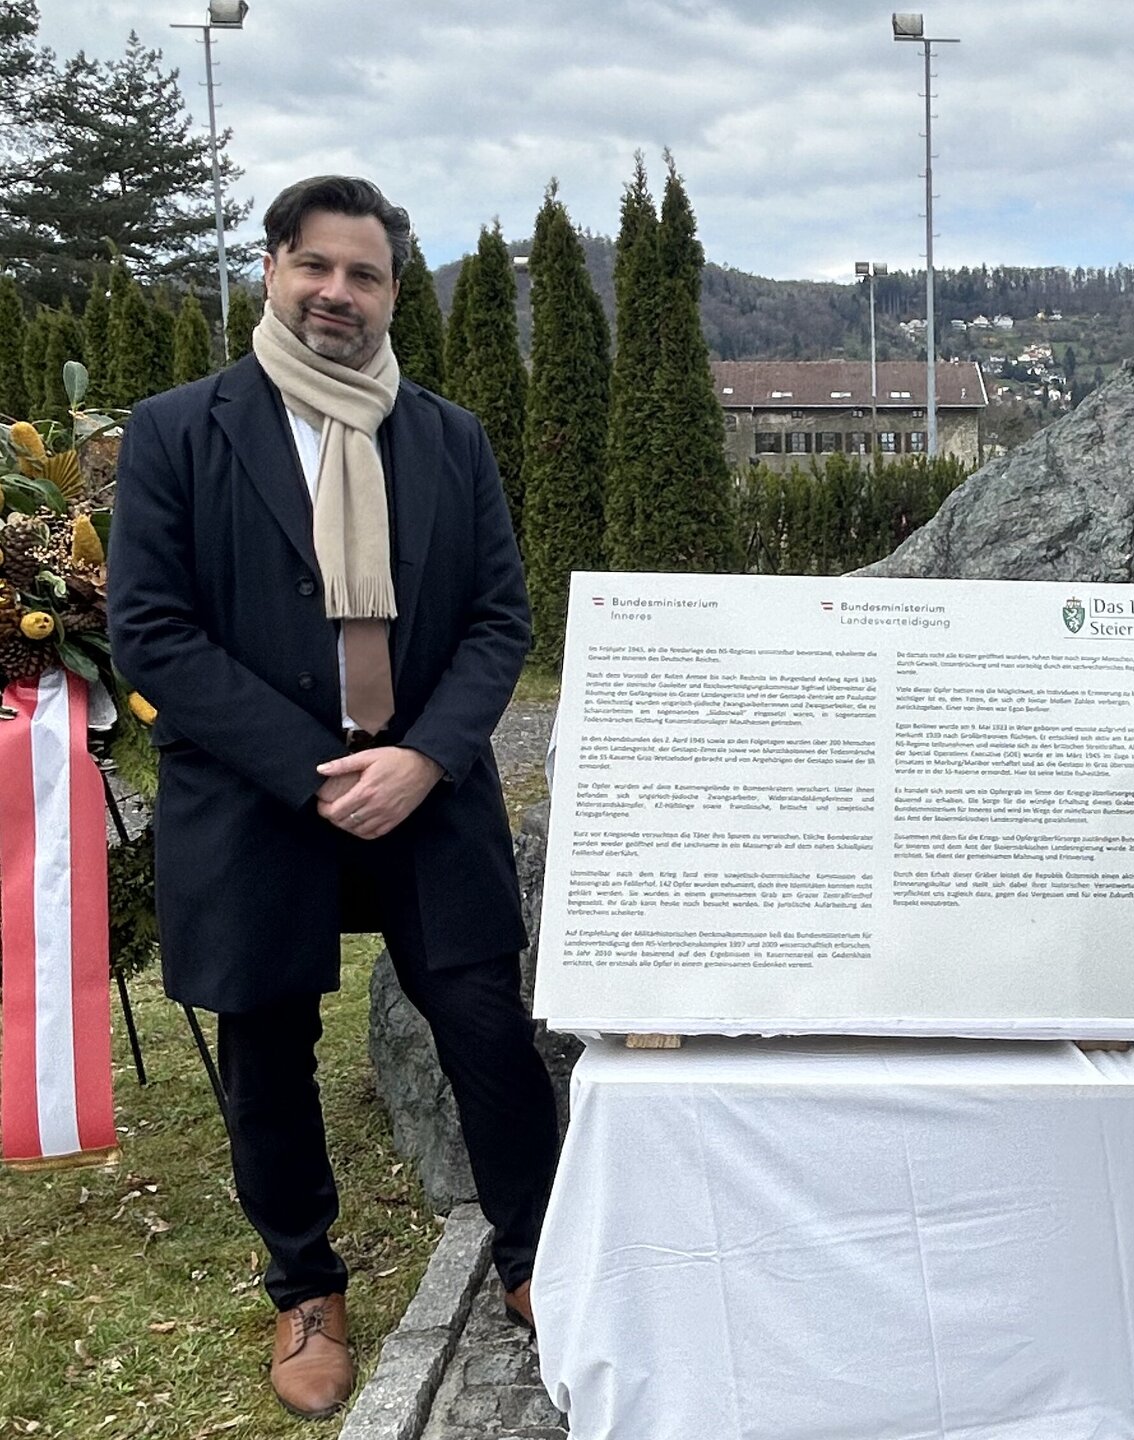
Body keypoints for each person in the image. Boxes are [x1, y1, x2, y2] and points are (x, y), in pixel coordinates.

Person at [108, 175, 559, 1420]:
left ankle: (534, 1253)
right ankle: (305, 1286)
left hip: (425, 786)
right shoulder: (178, 432)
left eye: (364, 275)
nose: (337, 294)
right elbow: (152, 631)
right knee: (266, 1045)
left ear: (394, 292)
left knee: (486, 1024)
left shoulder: (449, 439)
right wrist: (311, 770)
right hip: (259, 795)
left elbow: (498, 622)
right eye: (315, 266)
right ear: (271, 270)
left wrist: (425, 758)